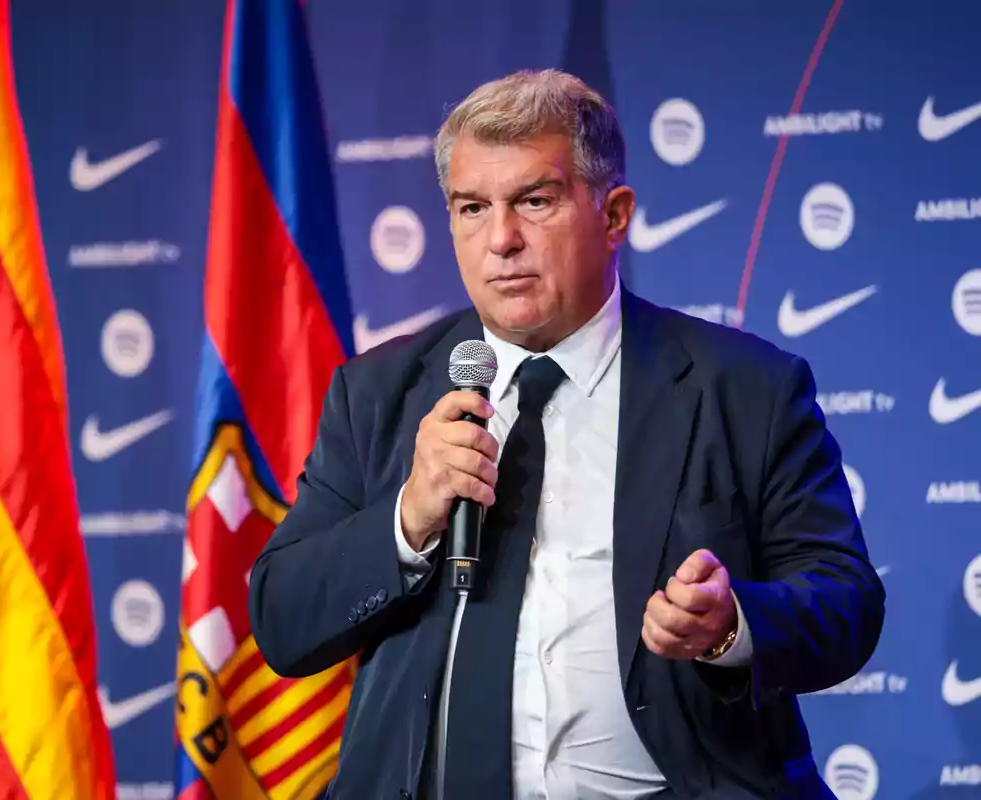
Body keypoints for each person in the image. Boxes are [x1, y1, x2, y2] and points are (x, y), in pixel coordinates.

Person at [247, 68, 884, 799]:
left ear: (613, 215)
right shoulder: (378, 393)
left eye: (534, 202)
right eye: (471, 208)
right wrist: (408, 517)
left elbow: (846, 601)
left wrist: (732, 622)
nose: (501, 241)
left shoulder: (743, 387)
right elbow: (284, 621)